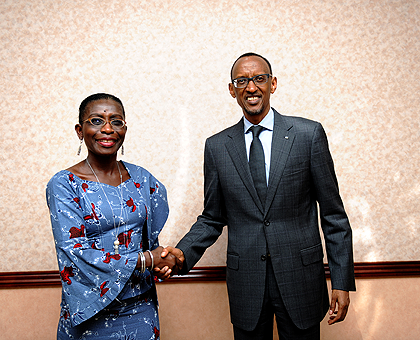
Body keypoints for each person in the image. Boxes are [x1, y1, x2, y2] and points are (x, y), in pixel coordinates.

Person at [160, 53, 356, 340]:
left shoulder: (307, 134)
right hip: (246, 283)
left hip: (301, 278)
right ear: (232, 90)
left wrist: (341, 281)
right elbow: (212, 217)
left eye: (259, 79)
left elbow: (333, 215)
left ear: (272, 84)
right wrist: (182, 253)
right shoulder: (217, 147)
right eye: (242, 81)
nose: (251, 87)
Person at [46, 93, 176, 339]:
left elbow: (150, 240)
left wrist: (163, 263)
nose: (107, 129)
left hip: (140, 308)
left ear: (125, 129)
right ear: (79, 130)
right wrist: (148, 260)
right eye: (96, 121)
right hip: (89, 311)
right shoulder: (64, 184)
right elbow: (73, 251)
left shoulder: (143, 179)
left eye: (116, 122)